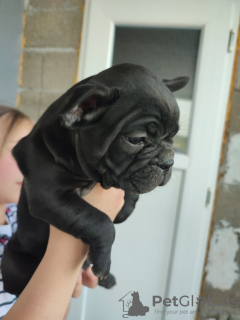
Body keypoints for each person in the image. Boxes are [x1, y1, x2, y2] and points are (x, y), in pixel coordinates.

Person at [0, 105, 125, 319]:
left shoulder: (20, 217)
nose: (36, 163)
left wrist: (67, 278)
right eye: (20, 147)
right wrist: (67, 253)